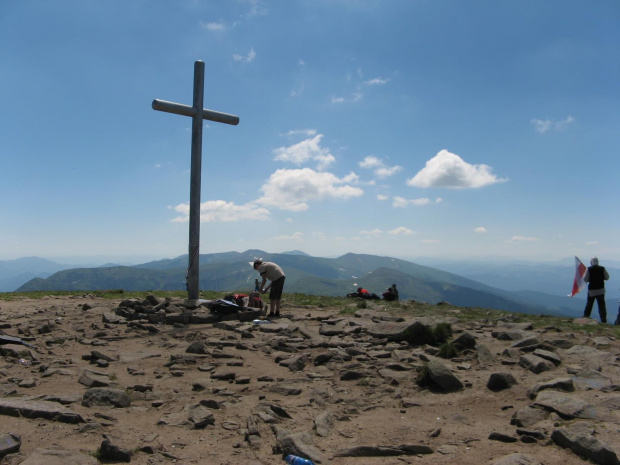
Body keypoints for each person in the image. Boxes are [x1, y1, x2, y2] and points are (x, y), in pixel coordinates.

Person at [583, 257, 609, 323]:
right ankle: (603, 320)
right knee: (602, 306)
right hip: (601, 290)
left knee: (589, 304)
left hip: (592, 291)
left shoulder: (588, 269)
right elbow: (607, 277)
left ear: (591, 262)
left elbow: (585, 279)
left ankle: (586, 317)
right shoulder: (602, 268)